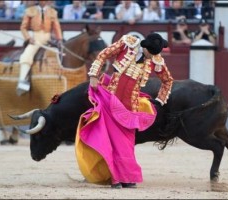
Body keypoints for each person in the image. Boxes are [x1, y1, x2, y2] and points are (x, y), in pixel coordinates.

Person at [76, 33, 174, 189]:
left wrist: (160, 100)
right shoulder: (128, 44)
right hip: (111, 99)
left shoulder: (156, 58)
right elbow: (103, 55)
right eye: (150, 53)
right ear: (145, 47)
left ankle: (127, 177)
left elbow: (168, 80)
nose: (152, 57)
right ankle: (116, 178)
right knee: (112, 142)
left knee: (126, 145)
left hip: (130, 107)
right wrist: (94, 75)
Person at [16, 0, 63, 96]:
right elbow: (23, 27)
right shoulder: (30, 10)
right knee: (26, 55)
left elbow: (56, 27)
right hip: (36, 38)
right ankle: (22, 81)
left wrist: (59, 39)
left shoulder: (52, 12)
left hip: (49, 39)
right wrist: (28, 38)